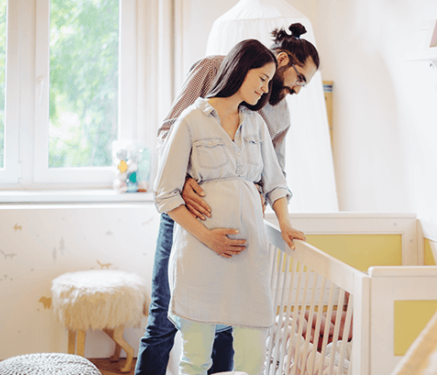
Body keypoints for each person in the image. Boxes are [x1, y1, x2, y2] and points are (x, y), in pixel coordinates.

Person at [135, 23, 320, 375]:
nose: (296, 89)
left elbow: (274, 175)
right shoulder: (208, 76)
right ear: (281, 60)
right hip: (191, 216)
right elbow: (168, 137)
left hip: (242, 235)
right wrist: (184, 181)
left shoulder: (271, 115)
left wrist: (280, 219)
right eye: (299, 79)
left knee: (230, 327)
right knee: (165, 316)